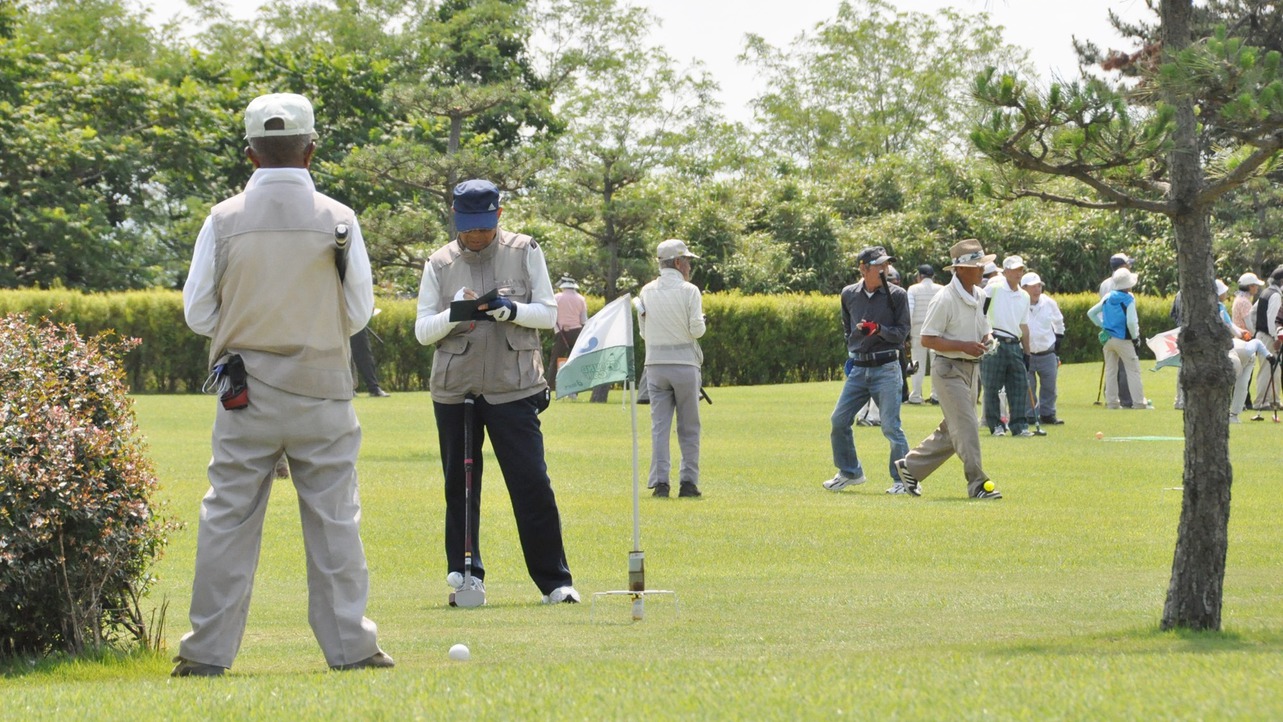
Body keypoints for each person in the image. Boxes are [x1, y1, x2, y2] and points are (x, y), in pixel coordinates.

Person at [174, 93, 391, 677]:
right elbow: (358, 312)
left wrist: (248, 328)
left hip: (245, 392)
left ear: (250, 154)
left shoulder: (223, 219)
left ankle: (204, 654)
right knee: (335, 520)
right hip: (322, 389)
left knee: (227, 521)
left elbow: (198, 312)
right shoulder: (339, 219)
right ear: (311, 148)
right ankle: (351, 647)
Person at [414, 179, 579, 604]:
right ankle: (465, 576)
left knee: (532, 483)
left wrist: (512, 311)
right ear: (455, 219)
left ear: (498, 217)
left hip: (515, 385)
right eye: (468, 227)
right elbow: (421, 330)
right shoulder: (439, 262)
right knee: (461, 485)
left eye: (484, 227)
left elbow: (547, 314)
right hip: (455, 388)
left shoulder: (526, 251)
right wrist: (455, 313)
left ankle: (556, 582)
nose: (476, 236)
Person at [893, 239, 1003, 500]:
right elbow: (928, 339)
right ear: (961, 268)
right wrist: (963, 346)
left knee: (954, 427)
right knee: (966, 426)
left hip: (971, 368)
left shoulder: (980, 294)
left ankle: (910, 467)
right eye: (978, 266)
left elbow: (984, 326)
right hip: (948, 368)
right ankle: (977, 484)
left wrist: (986, 338)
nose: (982, 271)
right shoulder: (944, 298)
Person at [821, 246, 911, 494]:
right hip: (859, 368)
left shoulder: (898, 295)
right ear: (863, 269)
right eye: (880, 265)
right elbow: (847, 330)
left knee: (891, 426)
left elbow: (902, 333)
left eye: (887, 265)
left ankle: (903, 480)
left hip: (887, 367)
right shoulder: (849, 294)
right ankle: (850, 472)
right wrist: (856, 341)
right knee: (839, 420)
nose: (886, 269)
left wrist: (878, 329)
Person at [638, 239, 707, 498]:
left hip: (655, 366)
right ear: (678, 262)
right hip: (685, 365)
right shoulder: (690, 291)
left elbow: (644, 333)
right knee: (689, 427)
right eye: (687, 260)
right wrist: (702, 321)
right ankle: (688, 482)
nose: (689, 265)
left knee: (659, 426)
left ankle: (660, 483)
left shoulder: (646, 291)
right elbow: (696, 330)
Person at [981, 255, 1035, 437]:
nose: (1018, 273)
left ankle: (1019, 426)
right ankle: (995, 425)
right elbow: (980, 314)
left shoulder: (1024, 295)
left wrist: (1027, 353)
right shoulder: (993, 288)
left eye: (1021, 269)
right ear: (1005, 272)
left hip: (1014, 343)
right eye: (1014, 269)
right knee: (991, 386)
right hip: (994, 341)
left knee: (1019, 386)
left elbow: (1024, 325)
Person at [1088, 266, 1150, 409]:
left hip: (1108, 339)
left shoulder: (1107, 296)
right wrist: (1135, 338)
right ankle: (1139, 403)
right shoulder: (1129, 299)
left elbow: (1091, 313)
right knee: (1133, 370)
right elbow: (1131, 322)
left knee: (1111, 370)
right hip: (1124, 339)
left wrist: (1103, 326)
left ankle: (1112, 403)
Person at [1022, 272, 1065, 425]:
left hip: (1047, 352)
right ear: (1024, 288)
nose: (1037, 289)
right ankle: (1030, 415)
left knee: (1050, 387)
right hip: (1026, 353)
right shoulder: (1019, 302)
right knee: (1028, 388)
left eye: (1039, 286)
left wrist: (1058, 340)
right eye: (1033, 286)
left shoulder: (1049, 302)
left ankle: (1048, 414)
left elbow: (1059, 322)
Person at [1100, 253, 1136, 407]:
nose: (1130, 267)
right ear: (1122, 266)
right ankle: (1127, 400)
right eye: (1128, 264)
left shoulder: (1104, 284)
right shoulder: (1123, 285)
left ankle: (1111, 398)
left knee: (1111, 367)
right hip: (1122, 331)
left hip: (1107, 330)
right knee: (1126, 368)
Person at [907, 263, 941, 405]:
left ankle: (915, 396)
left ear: (919, 276)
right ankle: (936, 396)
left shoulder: (913, 289)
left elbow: (910, 310)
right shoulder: (941, 289)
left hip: (918, 328)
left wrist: (906, 332)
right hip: (937, 328)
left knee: (917, 362)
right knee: (936, 363)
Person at [548, 276, 588, 394]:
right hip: (576, 332)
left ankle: (551, 386)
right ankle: (574, 387)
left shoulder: (557, 297)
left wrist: (557, 330)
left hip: (561, 332)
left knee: (555, 360)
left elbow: (552, 316)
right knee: (575, 360)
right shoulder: (581, 299)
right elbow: (584, 320)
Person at [1252, 266, 1283, 411]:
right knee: (1267, 369)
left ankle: (1274, 400)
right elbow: (1273, 319)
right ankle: (1261, 402)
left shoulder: (1266, 292)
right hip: (1270, 337)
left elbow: (1252, 313)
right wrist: (1277, 337)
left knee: (1274, 371)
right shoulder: (1275, 296)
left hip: (1263, 335)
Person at [351, 323, 390, 397]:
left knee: (364, 354)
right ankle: (349, 388)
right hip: (337, 320)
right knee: (342, 355)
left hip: (356, 321)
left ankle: (374, 388)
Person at [1232, 272, 1262, 337]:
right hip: (1246, 338)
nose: (1257, 288)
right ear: (1250, 286)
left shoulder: (1240, 298)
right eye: (1256, 285)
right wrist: (1257, 336)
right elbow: (1249, 324)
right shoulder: (1244, 302)